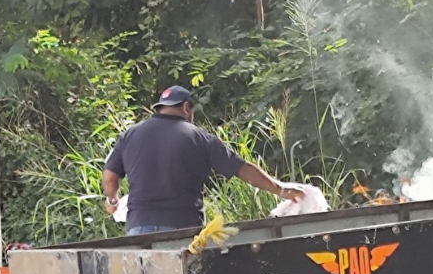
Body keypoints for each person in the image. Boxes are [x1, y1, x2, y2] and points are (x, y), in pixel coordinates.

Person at [101, 86, 305, 236]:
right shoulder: (198, 137)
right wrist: (280, 190)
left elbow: (110, 178)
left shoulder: (130, 135)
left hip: (138, 227)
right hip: (183, 228)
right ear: (187, 108)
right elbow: (242, 169)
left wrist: (112, 201)